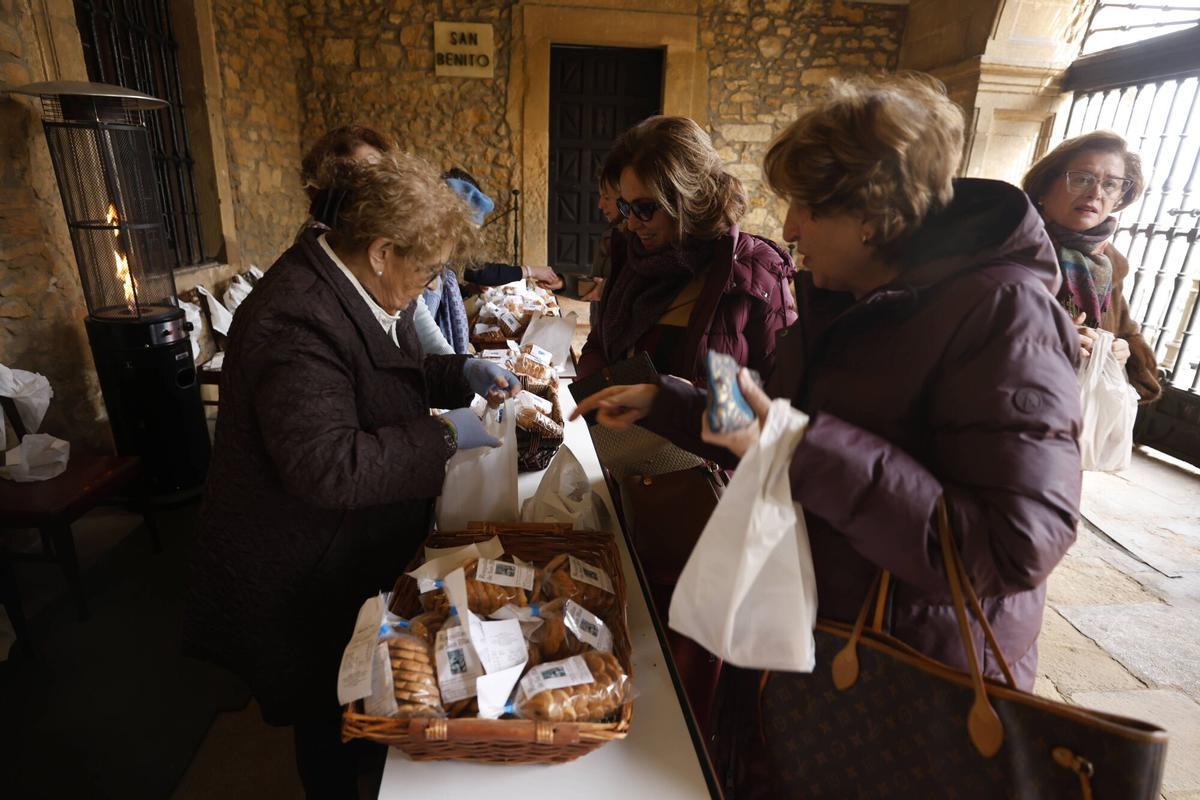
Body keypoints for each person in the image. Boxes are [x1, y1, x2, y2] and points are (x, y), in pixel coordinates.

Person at [573, 76, 1082, 791]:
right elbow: (772, 415)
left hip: (904, 674)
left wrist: (797, 448)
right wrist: (668, 401)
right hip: (808, 637)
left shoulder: (1006, 314)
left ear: (870, 213)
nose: (788, 228)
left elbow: (1013, 546)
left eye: (805, 207)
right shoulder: (841, 297)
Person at [183, 152, 519, 798]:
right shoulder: (296, 318)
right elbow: (329, 466)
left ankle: (367, 755)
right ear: (382, 252)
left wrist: (458, 373)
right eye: (428, 270)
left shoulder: (352, 285)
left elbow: (381, 374)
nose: (430, 285)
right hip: (300, 564)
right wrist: (445, 435)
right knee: (323, 714)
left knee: (354, 695)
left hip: (338, 549)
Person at [577, 115, 796, 386]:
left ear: (689, 200)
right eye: (625, 206)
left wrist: (669, 400)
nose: (631, 224)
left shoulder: (757, 268)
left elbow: (779, 392)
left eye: (644, 208)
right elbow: (599, 343)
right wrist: (598, 390)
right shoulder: (631, 254)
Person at [1023, 130, 1161, 402]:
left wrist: (1124, 353)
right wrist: (1047, 341)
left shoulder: (1106, 263)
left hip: (1076, 414)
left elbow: (1127, 334)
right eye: (1082, 179)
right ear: (1045, 188)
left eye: (1110, 184)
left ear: (1119, 197)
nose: (1095, 193)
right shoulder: (1009, 248)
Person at [300, 125, 456, 356]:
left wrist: (458, 365)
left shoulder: (386, 242)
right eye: (361, 180)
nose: (376, 189)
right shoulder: (321, 264)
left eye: (381, 176)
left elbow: (415, 318)